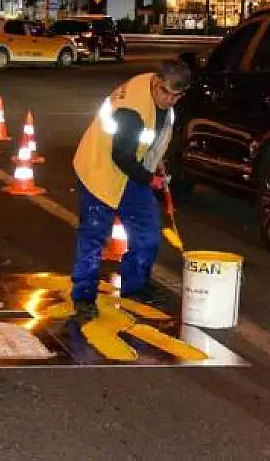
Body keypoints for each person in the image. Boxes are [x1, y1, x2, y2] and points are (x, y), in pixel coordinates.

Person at [69, 60, 192, 321]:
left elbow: (151, 140)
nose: (168, 100)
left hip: (132, 172)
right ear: (156, 82)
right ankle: (83, 296)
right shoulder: (132, 109)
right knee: (93, 237)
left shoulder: (159, 94)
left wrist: (155, 163)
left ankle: (135, 287)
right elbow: (121, 155)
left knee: (147, 235)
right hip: (99, 170)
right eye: (164, 92)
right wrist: (151, 181)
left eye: (176, 96)